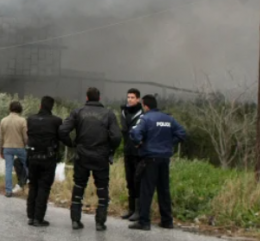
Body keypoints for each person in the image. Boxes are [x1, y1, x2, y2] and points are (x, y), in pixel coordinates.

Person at [59, 87, 122, 231]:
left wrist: (72, 144)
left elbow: (63, 130)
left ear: (87, 98)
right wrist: (110, 149)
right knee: (102, 188)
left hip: (82, 156)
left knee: (79, 186)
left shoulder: (78, 112)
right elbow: (117, 137)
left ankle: (75, 220)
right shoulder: (108, 114)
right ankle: (100, 223)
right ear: (99, 98)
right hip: (101, 157)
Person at [129, 94, 187, 231]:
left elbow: (136, 134)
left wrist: (140, 144)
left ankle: (144, 222)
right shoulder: (168, 119)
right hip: (164, 158)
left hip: (150, 158)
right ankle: (167, 220)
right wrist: (169, 144)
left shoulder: (146, 118)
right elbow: (182, 133)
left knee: (146, 190)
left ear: (145, 105)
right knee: (164, 190)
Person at [26, 96, 63, 228]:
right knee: (44, 187)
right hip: (48, 159)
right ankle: (38, 218)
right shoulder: (56, 121)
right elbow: (62, 137)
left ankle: (30, 216)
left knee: (33, 186)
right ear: (51, 107)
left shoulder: (30, 119)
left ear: (40, 105)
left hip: (32, 158)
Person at [120, 88, 143, 221]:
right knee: (129, 181)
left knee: (137, 180)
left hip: (138, 152)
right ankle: (131, 209)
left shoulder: (142, 113)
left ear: (138, 99)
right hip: (127, 151)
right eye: (128, 97)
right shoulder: (123, 112)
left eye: (132, 97)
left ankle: (138, 211)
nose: (129, 99)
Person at [0, 100, 28, 197]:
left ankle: (8, 191)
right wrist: (26, 146)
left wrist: (0, 150)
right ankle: (27, 182)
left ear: (10, 108)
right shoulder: (22, 121)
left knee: (8, 169)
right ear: (20, 109)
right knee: (28, 164)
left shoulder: (3, 120)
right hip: (20, 147)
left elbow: (0, 138)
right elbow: (25, 137)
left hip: (7, 147)